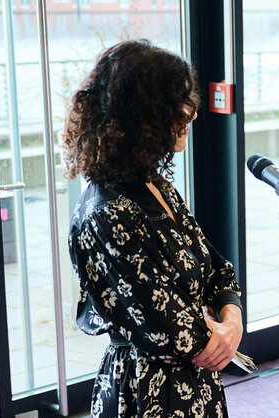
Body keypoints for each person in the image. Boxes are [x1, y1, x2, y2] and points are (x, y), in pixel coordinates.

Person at [64, 39, 244, 417]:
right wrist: (221, 336)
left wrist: (233, 319)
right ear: (140, 116)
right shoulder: (106, 212)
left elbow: (217, 268)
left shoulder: (153, 184)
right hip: (147, 394)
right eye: (177, 104)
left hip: (194, 385)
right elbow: (170, 331)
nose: (192, 114)